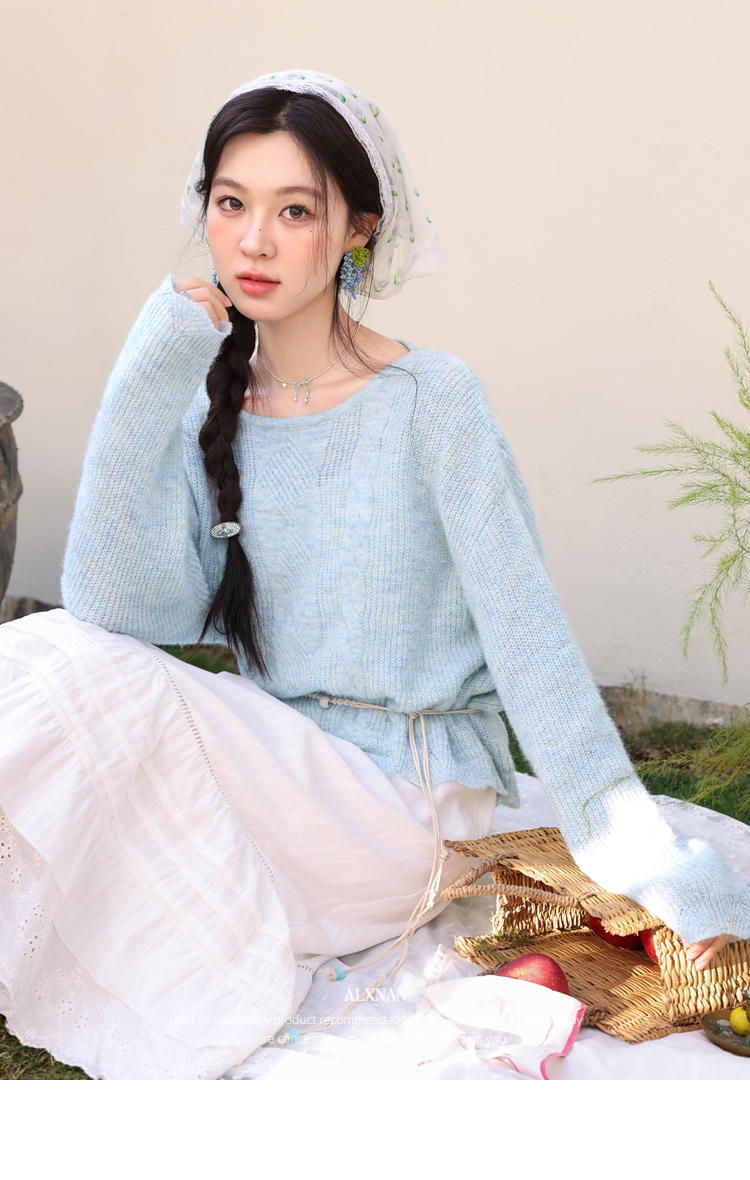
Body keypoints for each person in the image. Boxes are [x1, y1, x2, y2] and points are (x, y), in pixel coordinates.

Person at [0, 70, 747, 1081]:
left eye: (294, 211)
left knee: (54, 665)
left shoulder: (430, 401)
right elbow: (114, 606)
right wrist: (150, 370)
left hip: (404, 805)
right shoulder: (210, 400)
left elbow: (532, 650)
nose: (254, 241)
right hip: (280, 780)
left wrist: (658, 871)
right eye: (231, 203)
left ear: (358, 228)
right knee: (58, 659)